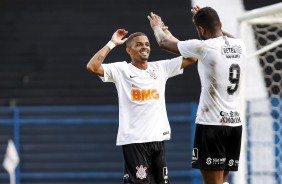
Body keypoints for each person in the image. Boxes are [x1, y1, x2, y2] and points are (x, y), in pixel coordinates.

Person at [147, 5, 246, 184]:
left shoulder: (204, 47)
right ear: (219, 24)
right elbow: (207, 39)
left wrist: (156, 26)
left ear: (201, 29)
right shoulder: (240, 45)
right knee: (223, 181)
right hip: (235, 124)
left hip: (212, 124)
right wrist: (204, 21)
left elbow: (163, 42)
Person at [86, 29, 197, 184]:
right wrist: (112, 43)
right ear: (129, 50)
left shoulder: (160, 68)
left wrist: (167, 36)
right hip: (134, 141)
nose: (144, 47)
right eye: (139, 45)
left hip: (158, 139)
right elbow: (92, 66)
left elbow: (192, 56)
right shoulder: (121, 70)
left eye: (147, 44)